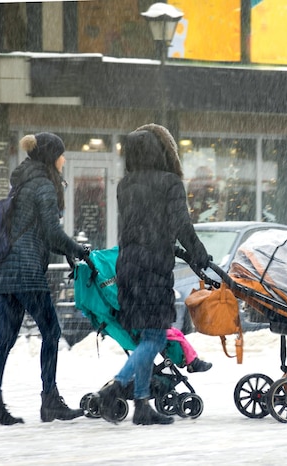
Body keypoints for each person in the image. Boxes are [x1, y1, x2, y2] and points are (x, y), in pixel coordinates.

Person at [98, 124, 211, 426]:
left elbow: (140, 224)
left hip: (128, 264)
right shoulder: (169, 183)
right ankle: (116, 386)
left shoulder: (125, 185)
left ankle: (142, 405)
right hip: (153, 267)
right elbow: (181, 226)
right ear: (157, 151)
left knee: (148, 336)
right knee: (156, 336)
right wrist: (200, 255)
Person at [0, 132, 90, 426]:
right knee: (52, 332)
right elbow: (51, 232)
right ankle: (50, 400)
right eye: (61, 154)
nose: (64, 159)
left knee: (4, 339)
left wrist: (67, 252)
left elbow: (38, 233)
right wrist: (79, 249)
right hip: (28, 273)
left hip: (5, 271)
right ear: (50, 156)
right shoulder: (43, 185)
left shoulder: (20, 185)